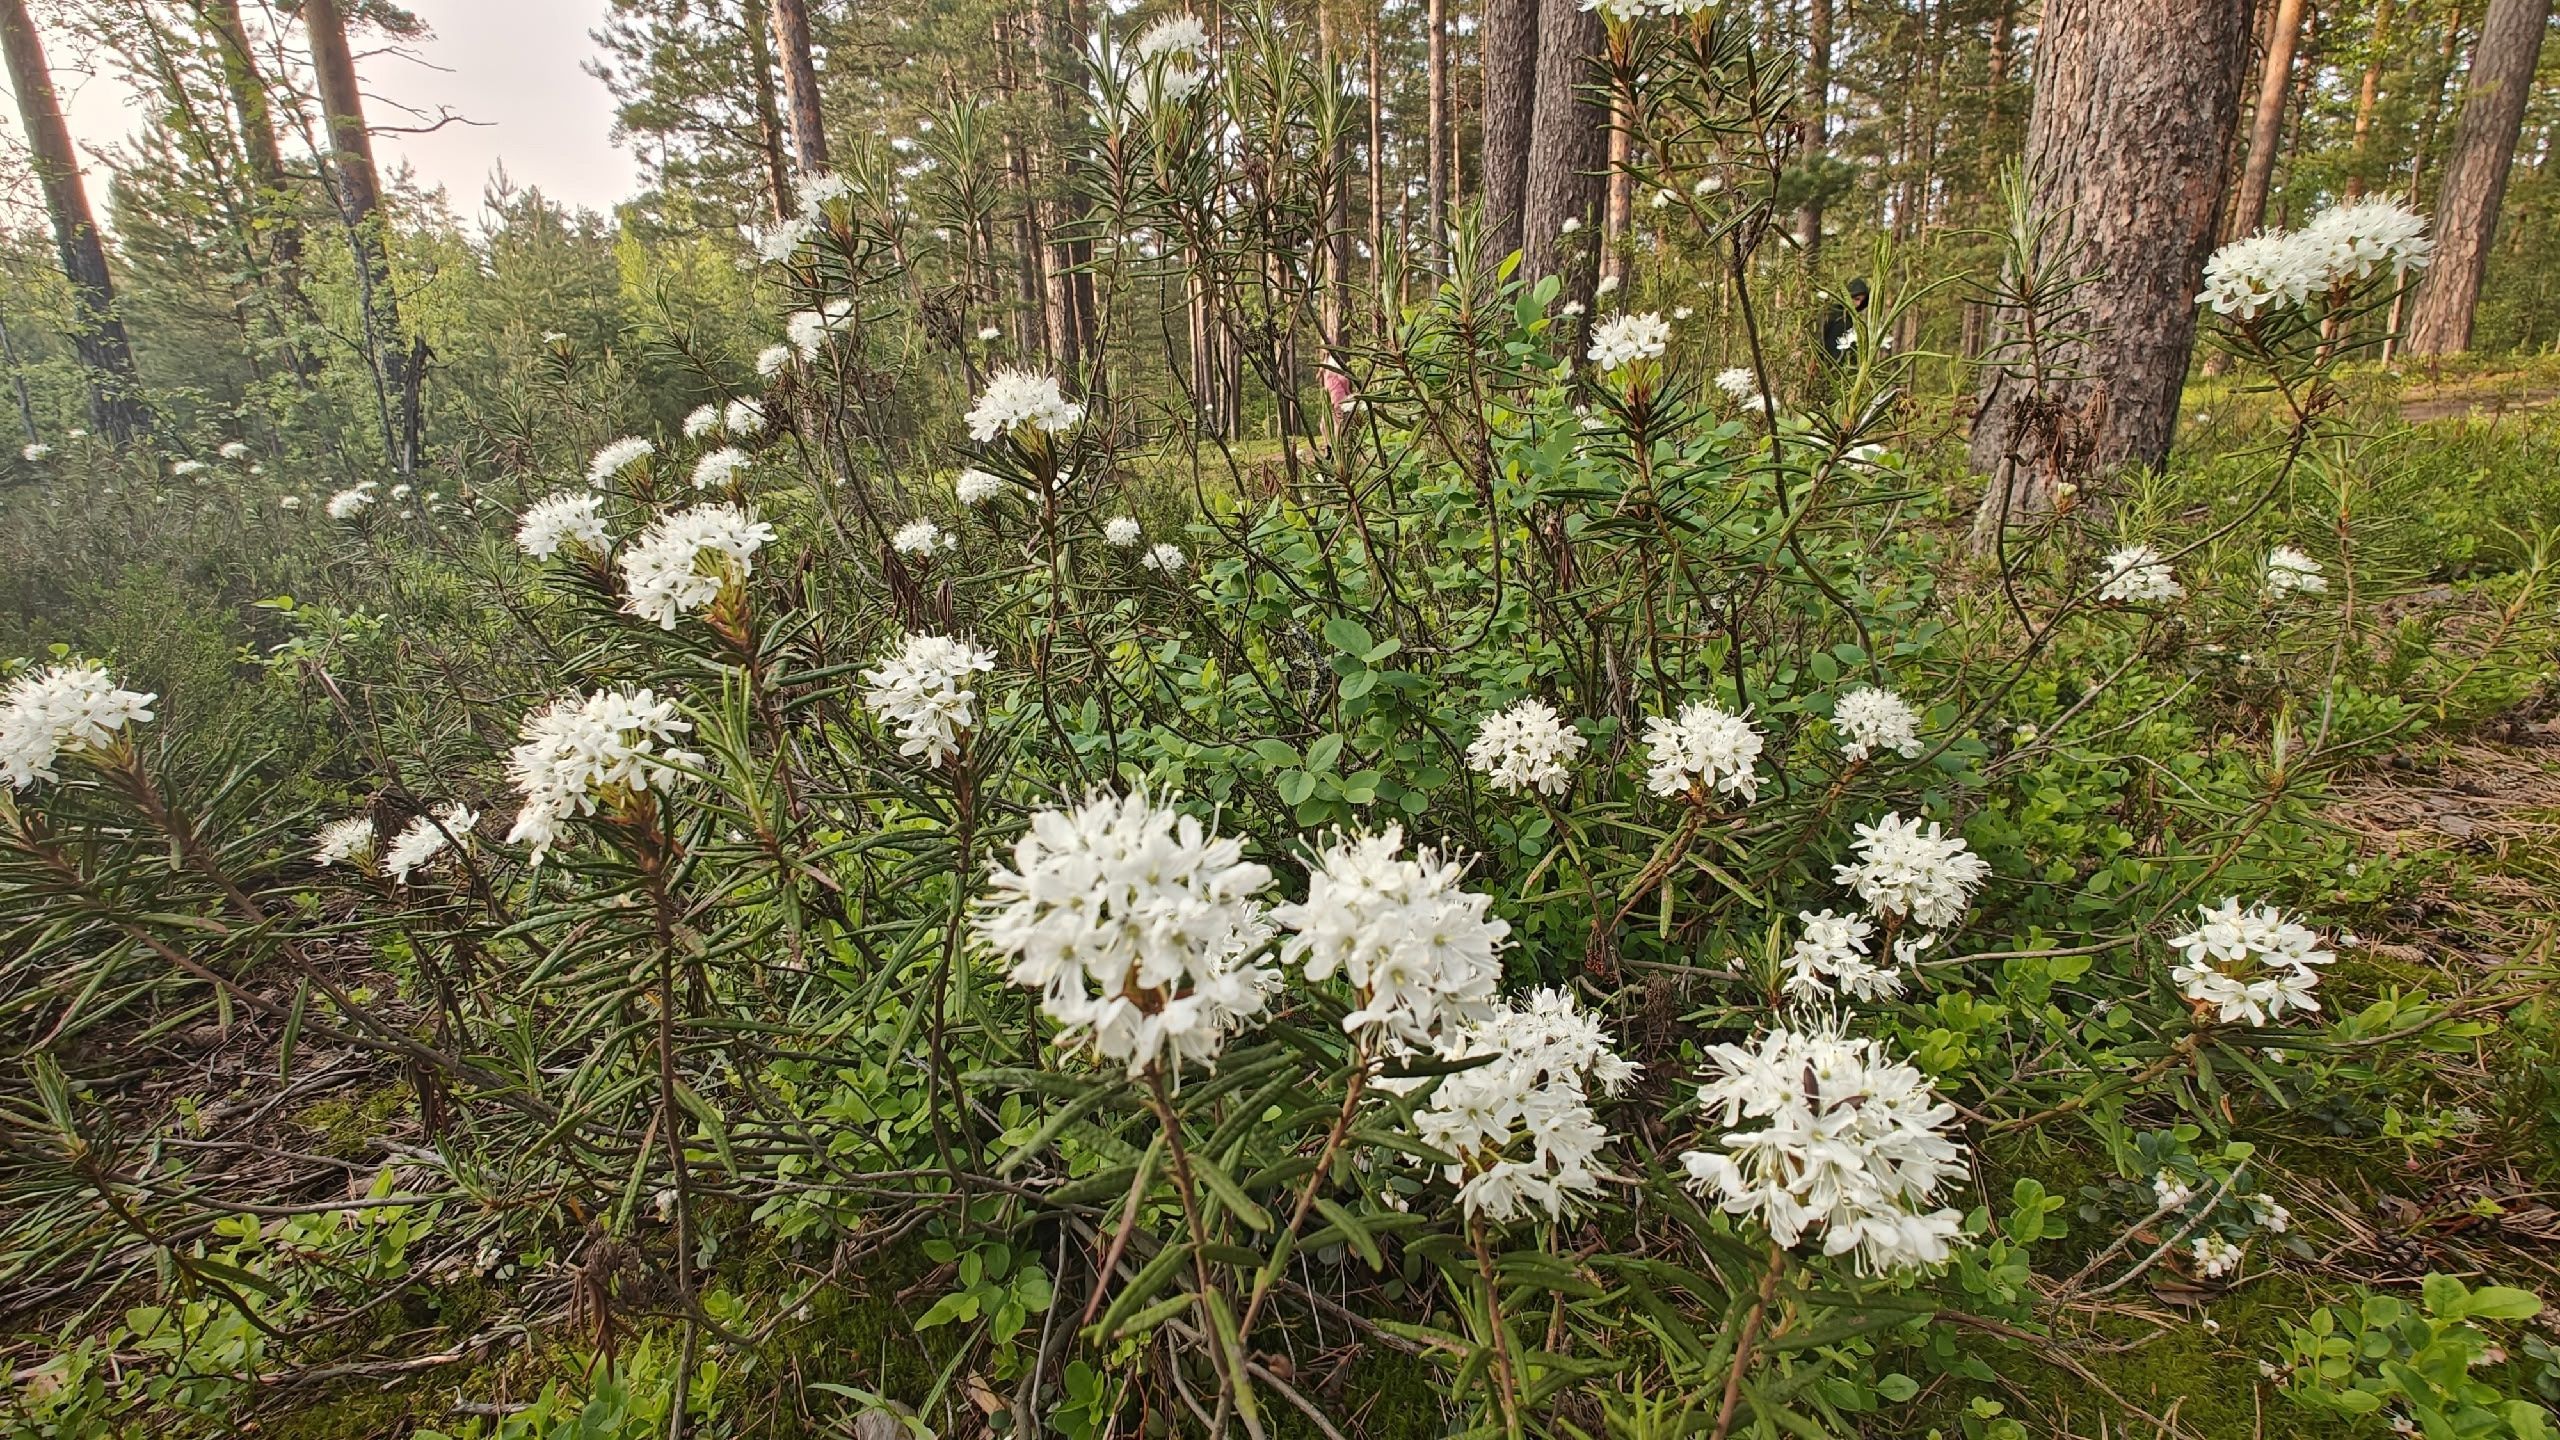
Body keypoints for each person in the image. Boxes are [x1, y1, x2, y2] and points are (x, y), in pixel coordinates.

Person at [1819, 278, 1870, 365]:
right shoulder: (1831, 312)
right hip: (1826, 365)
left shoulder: (1855, 321)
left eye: (1862, 301)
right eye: (1857, 299)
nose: (1858, 304)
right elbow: (1820, 337)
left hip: (1845, 368)